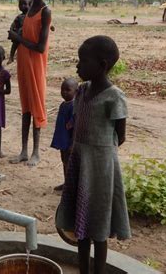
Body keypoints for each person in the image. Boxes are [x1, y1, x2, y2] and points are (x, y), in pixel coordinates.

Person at [55, 35, 131, 274]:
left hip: (100, 168)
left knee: (98, 226)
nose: (77, 66)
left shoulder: (114, 96)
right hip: (80, 162)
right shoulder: (82, 91)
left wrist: (98, 154)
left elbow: (120, 135)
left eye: (83, 61)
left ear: (103, 64)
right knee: (81, 224)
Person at [8, 0, 52, 166]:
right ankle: (24, 151)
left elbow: (40, 47)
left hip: (36, 64)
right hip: (24, 63)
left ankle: (36, 152)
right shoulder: (27, 10)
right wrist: (16, 38)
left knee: (36, 106)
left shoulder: (45, 11)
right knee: (25, 107)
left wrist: (19, 40)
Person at [50, 77, 78, 191]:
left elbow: (75, 126)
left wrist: (72, 143)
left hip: (69, 142)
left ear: (76, 92)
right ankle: (66, 183)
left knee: (70, 164)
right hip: (63, 139)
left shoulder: (74, 106)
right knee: (64, 161)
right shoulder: (63, 104)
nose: (64, 92)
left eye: (68, 90)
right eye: (62, 89)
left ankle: (71, 187)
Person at [7, 0, 31, 64]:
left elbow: (41, 23)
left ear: (30, 5)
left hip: (29, 34)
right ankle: (11, 56)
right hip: (20, 34)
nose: (22, 6)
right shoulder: (19, 17)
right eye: (20, 4)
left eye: (25, 4)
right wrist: (11, 30)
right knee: (15, 43)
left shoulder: (32, 16)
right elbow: (13, 24)